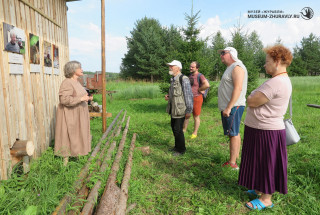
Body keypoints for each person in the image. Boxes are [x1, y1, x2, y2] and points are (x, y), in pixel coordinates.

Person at [238, 45, 293, 210]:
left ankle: (266, 199)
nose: (264, 65)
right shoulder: (278, 80)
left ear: (276, 62)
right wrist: (253, 94)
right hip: (262, 128)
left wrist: (252, 95)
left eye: (267, 61)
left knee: (266, 163)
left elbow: (252, 101)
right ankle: (260, 188)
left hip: (267, 130)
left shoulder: (276, 82)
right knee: (260, 161)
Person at [54, 61, 93, 166]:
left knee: (79, 134)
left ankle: (78, 153)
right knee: (68, 135)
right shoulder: (67, 82)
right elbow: (64, 99)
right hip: (70, 115)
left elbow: (78, 96)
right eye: (79, 67)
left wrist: (87, 98)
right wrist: (81, 98)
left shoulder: (76, 82)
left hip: (78, 114)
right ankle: (65, 164)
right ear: (72, 70)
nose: (82, 69)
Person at [217, 47, 248, 170]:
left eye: (223, 53)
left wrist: (229, 107)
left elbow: (238, 88)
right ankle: (234, 159)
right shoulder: (230, 68)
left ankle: (233, 163)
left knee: (233, 133)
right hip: (229, 106)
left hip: (234, 106)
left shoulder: (237, 67)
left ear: (231, 54)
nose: (221, 55)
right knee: (233, 133)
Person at [165, 60, 193, 156]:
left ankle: (181, 150)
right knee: (174, 127)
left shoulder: (183, 78)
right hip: (174, 109)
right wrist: (169, 96)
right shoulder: (173, 79)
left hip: (180, 109)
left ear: (178, 67)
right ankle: (177, 147)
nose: (170, 67)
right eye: (170, 66)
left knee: (178, 129)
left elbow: (188, 95)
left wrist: (189, 110)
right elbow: (177, 94)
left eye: (172, 66)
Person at [183, 61, 210, 139]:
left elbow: (207, 85)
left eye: (192, 67)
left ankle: (195, 132)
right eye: (190, 66)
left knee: (196, 116)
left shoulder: (200, 76)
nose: (190, 68)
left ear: (197, 68)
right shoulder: (190, 76)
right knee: (187, 115)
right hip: (189, 98)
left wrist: (200, 89)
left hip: (197, 98)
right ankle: (184, 129)